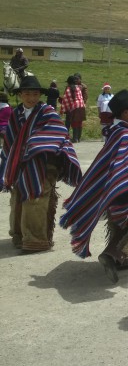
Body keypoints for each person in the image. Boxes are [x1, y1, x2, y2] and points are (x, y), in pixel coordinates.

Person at [60, 89, 128, 282]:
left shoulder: (117, 130)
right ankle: (113, 256)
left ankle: (126, 260)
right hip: (127, 190)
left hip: (114, 190)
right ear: (125, 113)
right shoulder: (124, 135)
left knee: (122, 226)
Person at [0, 76, 81, 253]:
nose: (31, 98)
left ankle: (35, 240)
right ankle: (19, 235)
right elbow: (11, 142)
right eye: (27, 94)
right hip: (20, 165)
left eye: (35, 94)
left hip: (42, 165)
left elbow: (59, 134)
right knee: (17, 199)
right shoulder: (16, 114)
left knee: (36, 199)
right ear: (20, 94)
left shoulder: (47, 112)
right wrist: (13, 159)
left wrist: (33, 146)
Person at [61, 75, 86, 143]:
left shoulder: (69, 89)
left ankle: (75, 138)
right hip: (81, 106)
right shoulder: (79, 88)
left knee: (74, 122)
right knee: (79, 122)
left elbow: (66, 100)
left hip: (75, 107)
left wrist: (64, 109)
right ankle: (78, 138)